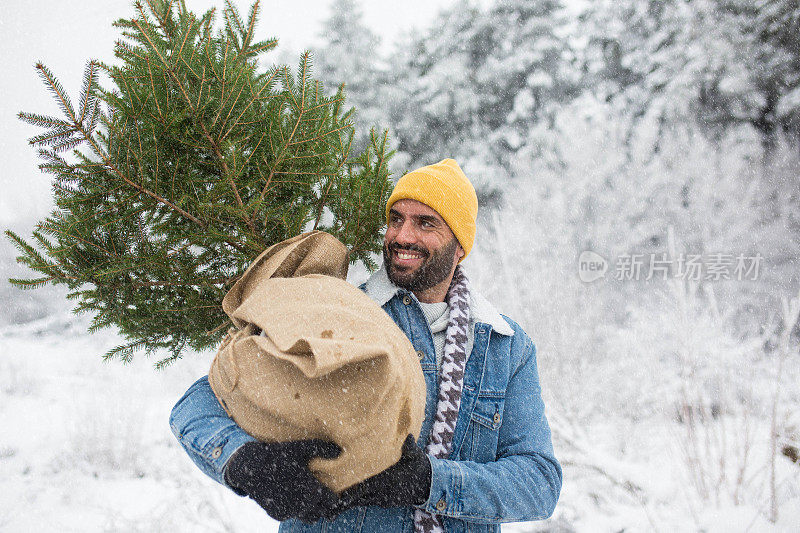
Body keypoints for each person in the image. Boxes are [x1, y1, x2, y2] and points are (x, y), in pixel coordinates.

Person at [169, 159, 562, 532]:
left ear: (459, 246)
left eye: (425, 224)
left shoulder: (504, 347)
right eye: (396, 219)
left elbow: (538, 482)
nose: (403, 236)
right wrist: (246, 462)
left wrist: (429, 482)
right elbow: (198, 404)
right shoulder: (336, 310)